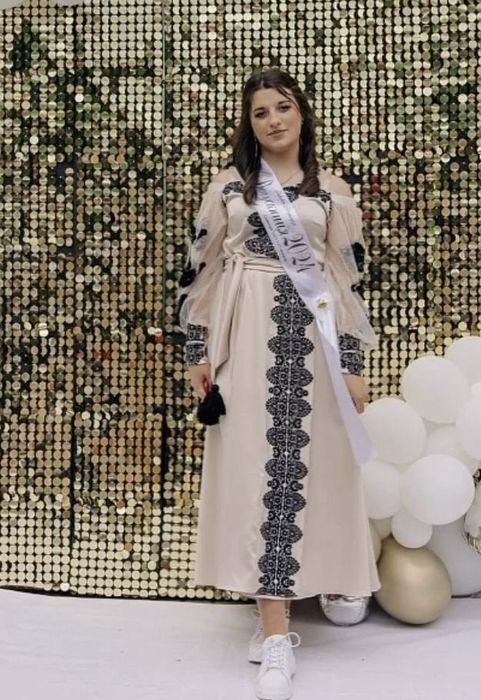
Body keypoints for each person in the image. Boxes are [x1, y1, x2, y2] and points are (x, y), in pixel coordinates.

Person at [178, 68, 380, 700]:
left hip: (314, 346)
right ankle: (272, 635)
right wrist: (198, 352)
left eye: (283, 107)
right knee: (255, 473)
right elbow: (199, 271)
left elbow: (348, 284)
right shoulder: (228, 188)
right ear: (250, 124)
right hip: (245, 337)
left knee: (311, 470)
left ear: (301, 113)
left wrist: (351, 363)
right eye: (261, 111)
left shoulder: (333, 193)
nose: (273, 120)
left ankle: (303, 598)